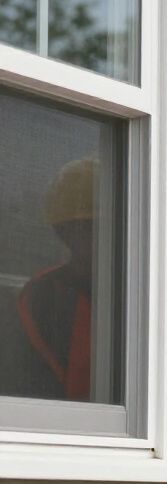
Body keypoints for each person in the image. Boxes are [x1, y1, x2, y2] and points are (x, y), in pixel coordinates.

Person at [3, 157, 96, 401]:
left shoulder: (139, 290)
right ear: (62, 231)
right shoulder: (42, 295)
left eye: (90, 226)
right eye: (73, 227)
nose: (80, 235)